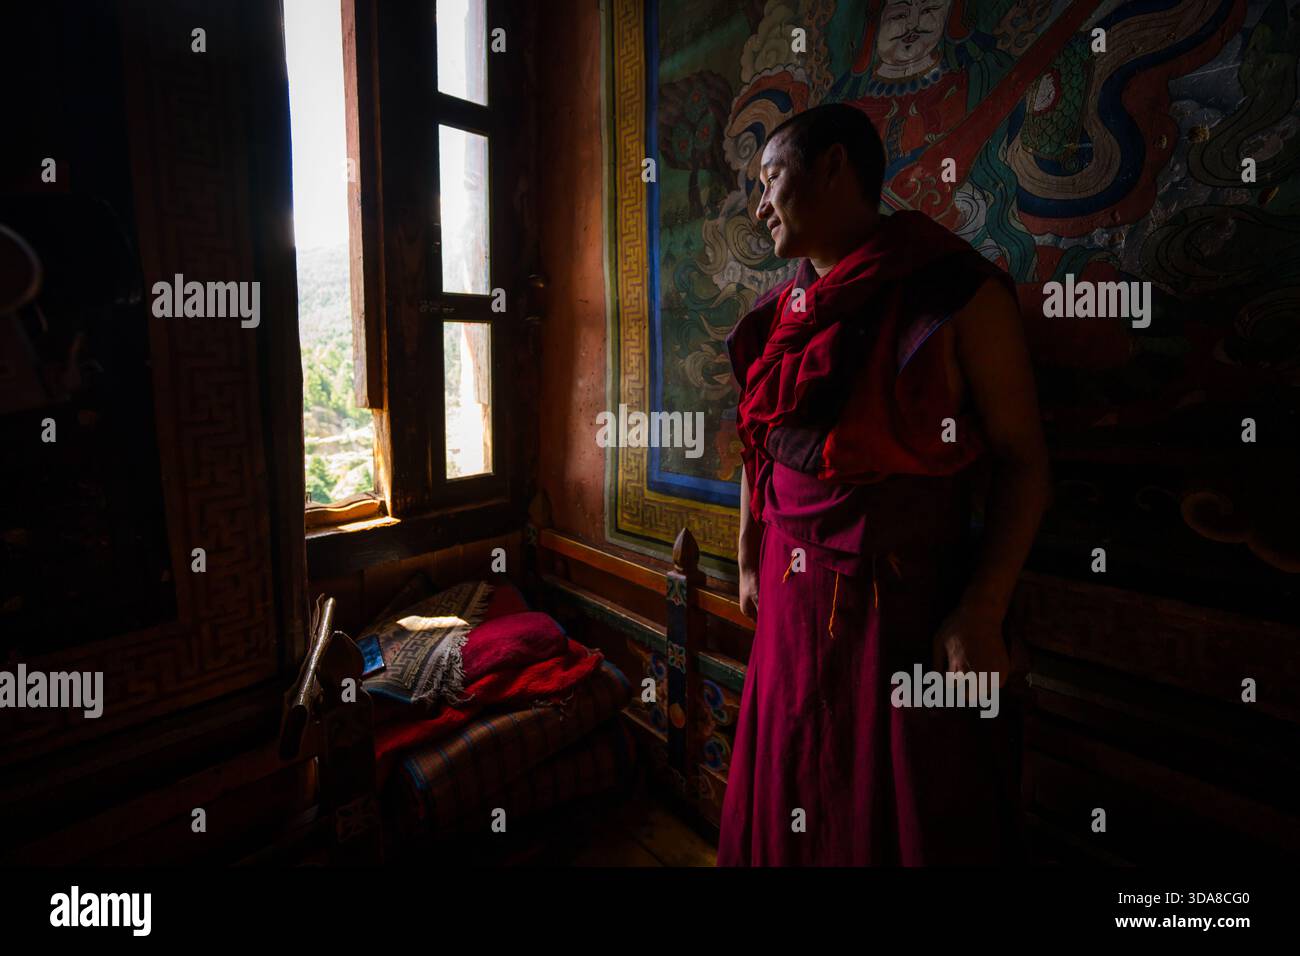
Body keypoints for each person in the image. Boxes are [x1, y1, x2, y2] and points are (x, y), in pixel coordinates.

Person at [719, 102, 1051, 866]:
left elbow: (1024, 459)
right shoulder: (780, 315)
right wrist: (746, 558)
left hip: (898, 601)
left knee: (892, 809)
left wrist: (983, 606)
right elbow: (758, 448)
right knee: (791, 781)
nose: (760, 204)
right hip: (788, 591)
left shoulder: (953, 293)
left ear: (834, 166)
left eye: (771, 179)